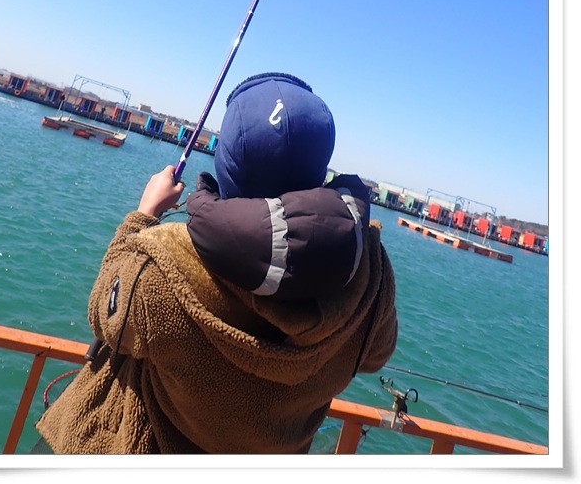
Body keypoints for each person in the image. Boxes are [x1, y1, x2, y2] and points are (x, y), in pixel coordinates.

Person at [36, 72, 398, 454]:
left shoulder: (163, 266)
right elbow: (376, 354)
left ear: (227, 162)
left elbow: (105, 316)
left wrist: (142, 216)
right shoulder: (370, 279)